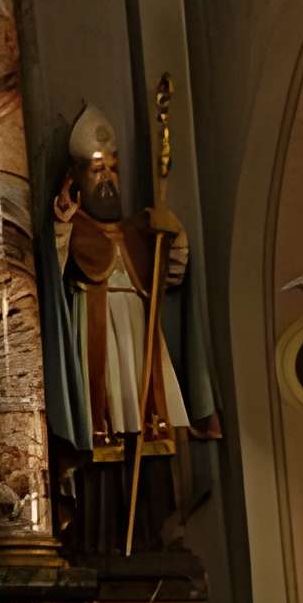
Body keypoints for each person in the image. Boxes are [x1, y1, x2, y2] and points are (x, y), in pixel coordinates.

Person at [42, 104, 219, 554]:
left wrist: (174, 237)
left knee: (150, 433)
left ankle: (150, 534)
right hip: (94, 344)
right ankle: (97, 538)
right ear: (76, 178)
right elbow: (53, 285)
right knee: (103, 436)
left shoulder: (141, 229)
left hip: (140, 350)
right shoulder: (71, 229)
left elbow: (172, 281)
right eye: (98, 171)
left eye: (114, 170)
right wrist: (61, 230)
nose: (109, 180)